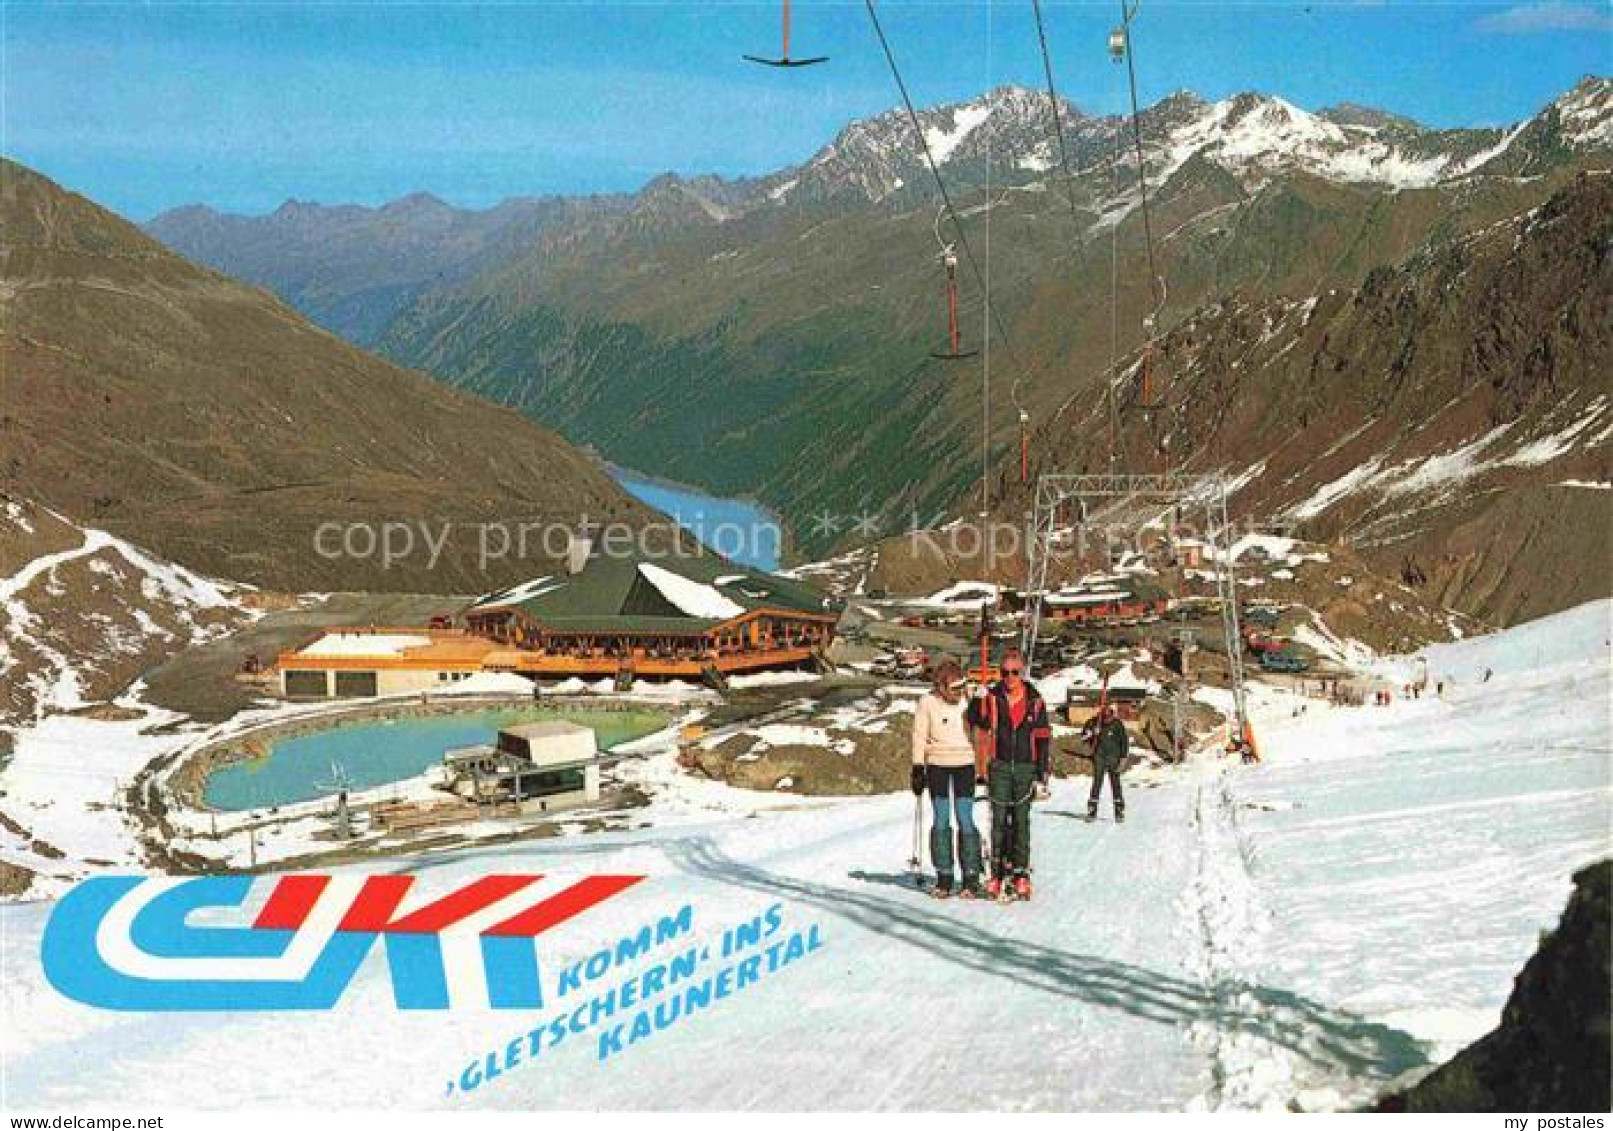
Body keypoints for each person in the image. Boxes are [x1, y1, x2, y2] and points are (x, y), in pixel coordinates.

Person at [966, 647, 1051, 900]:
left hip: (1026, 768)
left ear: (1022, 672)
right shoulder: (992, 698)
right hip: (1000, 766)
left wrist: (1041, 774)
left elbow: (1043, 738)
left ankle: (1021, 873)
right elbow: (977, 721)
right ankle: (997, 873)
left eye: (1015, 672)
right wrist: (976, 700)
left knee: (1021, 822)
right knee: (999, 822)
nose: (1010, 677)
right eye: (1005, 673)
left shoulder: (1035, 701)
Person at [910, 659, 984, 898]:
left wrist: (980, 702)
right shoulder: (927, 702)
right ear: (941, 687)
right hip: (938, 765)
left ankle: (971, 875)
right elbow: (919, 735)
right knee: (941, 819)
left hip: (964, 762)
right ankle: (944, 875)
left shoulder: (970, 698)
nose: (958, 692)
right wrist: (917, 767)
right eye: (954, 688)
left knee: (965, 817)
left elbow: (984, 723)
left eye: (962, 686)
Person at [1082, 704, 1129, 822]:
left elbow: (1124, 741)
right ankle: (1092, 810)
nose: (1107, 718)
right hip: (1099, 757)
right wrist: (1093, 733)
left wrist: (1123, 759)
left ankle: (1119, 811)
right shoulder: (1093, 722)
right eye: (1105, 716)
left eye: (1109, 715)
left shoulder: (1117, 724)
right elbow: (1083, 737)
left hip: (1114, 758)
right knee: (1097, 783)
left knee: (1115, 784)